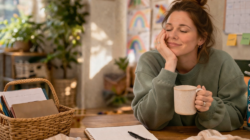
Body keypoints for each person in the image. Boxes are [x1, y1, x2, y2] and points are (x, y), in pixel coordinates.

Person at [131, 0, 247, 131]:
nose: (172, 35)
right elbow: (149, 119)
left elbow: (237, 115)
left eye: (183, 30)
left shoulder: (222, 62)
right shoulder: (149, 60)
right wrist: (169, 64)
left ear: (201, 38)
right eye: (168, 29)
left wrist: (210, 108)